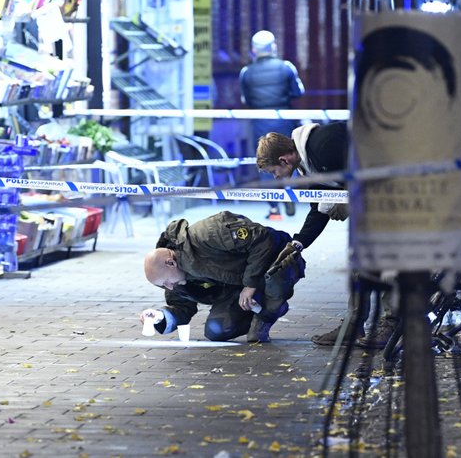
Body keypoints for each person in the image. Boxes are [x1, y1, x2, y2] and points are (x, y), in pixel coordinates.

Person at [256, 121, 394, 348]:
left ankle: (392, 323)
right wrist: (297, 243)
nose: (277, 178)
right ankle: (354, 324)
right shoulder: (308, 165)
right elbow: (318, 211)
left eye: (274, 172)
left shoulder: (324, 145)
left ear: (284, 160)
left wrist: (350, 198)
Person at [139, 211, 305, 343]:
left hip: (274, 258)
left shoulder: (207, 233)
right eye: (164, 285)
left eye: (166, 282)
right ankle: (262, 306)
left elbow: (262, 240)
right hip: (237, 286)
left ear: (170, 263)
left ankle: (268, 312)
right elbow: (181, 308)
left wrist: (249, 286)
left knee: (274, 278)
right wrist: (159, 316)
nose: (169, 287)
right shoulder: (174, 279)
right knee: (216, 330)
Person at [240, 30, 305, 220]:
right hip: (284, 119)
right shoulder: (286, 67)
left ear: (253, 50)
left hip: (260, 121)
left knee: (265, 161)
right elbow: (298, 91)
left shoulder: (246, 72)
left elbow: (246, 99)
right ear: (273, 47)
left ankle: (274, 208)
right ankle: (288, 191)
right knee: (288, 158)